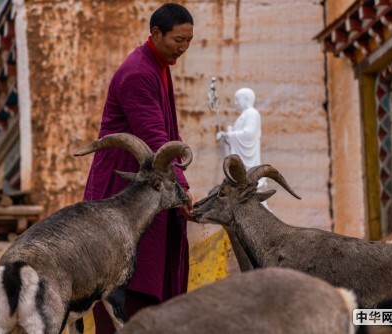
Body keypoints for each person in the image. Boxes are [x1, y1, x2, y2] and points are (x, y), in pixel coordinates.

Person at [82, 3, 194, 333]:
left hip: (145, 187)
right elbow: (157, 138)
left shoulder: (158, 64)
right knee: (126, 271)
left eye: (189, 41)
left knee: (149, 265)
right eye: (178, 40)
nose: (183, 48)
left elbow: (166, 132)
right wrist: (182, 186)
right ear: (156, 34)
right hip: (123, 189)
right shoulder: (138, 73)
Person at [216, 87, 266, 188]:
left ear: (247, 99)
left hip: (248, 160)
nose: (235, 103)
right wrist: (226, 137)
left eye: (237, 100)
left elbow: (249, 134)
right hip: (241, 157)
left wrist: (229, 135)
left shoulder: (252, 113)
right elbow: (238, 136)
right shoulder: (244, 115)